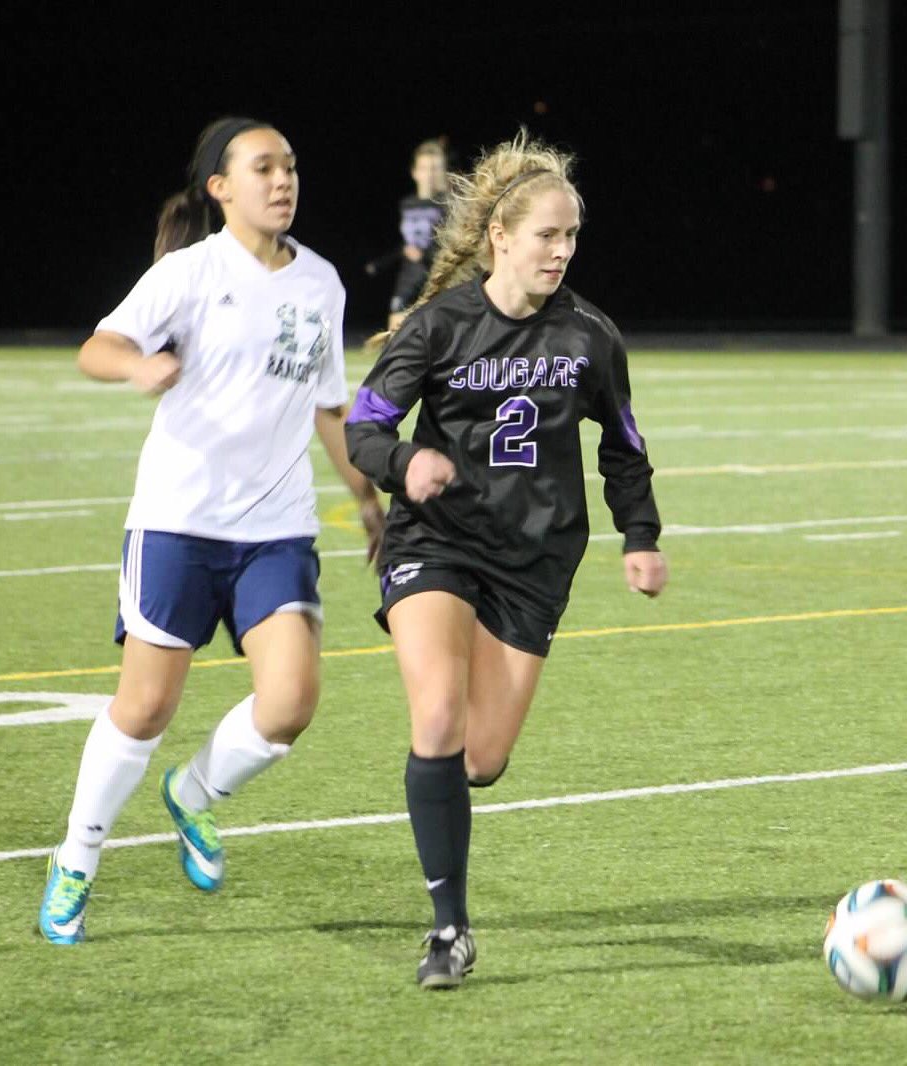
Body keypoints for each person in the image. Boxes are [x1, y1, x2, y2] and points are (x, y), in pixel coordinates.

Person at [38, 116, 385, 945]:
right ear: (220, 188)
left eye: (291, 167)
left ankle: (192, 796)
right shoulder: (190, 274)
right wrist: (140, 365)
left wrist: (368, 499)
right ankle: (77, 857)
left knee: (291, 702)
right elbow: (100, 345)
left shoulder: (322, 283)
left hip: (277, 528)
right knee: (146, 707)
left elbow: (329, 405)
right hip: (178, 523)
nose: (283, 180)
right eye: (263, 168)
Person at [345, 131, 668, 989]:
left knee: (481, 758)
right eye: (546, 236)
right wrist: (403, 463)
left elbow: (625, 448)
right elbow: (364, 424)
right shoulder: (438, 325)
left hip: (535, 562)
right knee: (440, 717)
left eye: (570, 237)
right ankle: (448, 930)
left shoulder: (592, 335)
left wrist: (641, 536)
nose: (561, 251)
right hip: (436, 541)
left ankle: (443, 798)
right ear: (500, 238)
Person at [386, 139, 448, 331]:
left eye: (435, 168)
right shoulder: (406, 204)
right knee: (395, 334)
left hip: (437, 278)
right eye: (425, 168)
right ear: (415, 172)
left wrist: (426, 255)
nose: (429, 174)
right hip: (409, 277)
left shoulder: (448, 205)